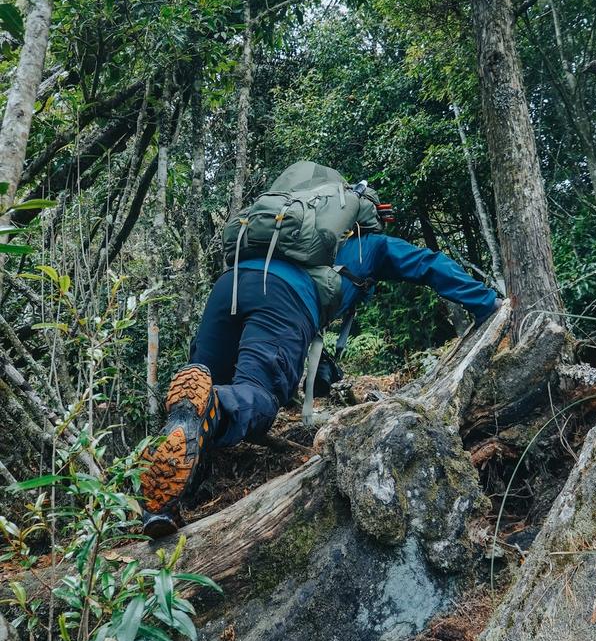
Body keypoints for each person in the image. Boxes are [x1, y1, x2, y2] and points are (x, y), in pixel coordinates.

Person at [140, 178, 502, 538]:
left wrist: (326, 373)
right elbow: (428, 263)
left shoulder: (294, 238)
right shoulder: (369, 246)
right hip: (284, 296)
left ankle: (162, 506)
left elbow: (311, 340)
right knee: (256, 396)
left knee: (193, 400)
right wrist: (487, 303)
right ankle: (214, 404)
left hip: (230, 285)